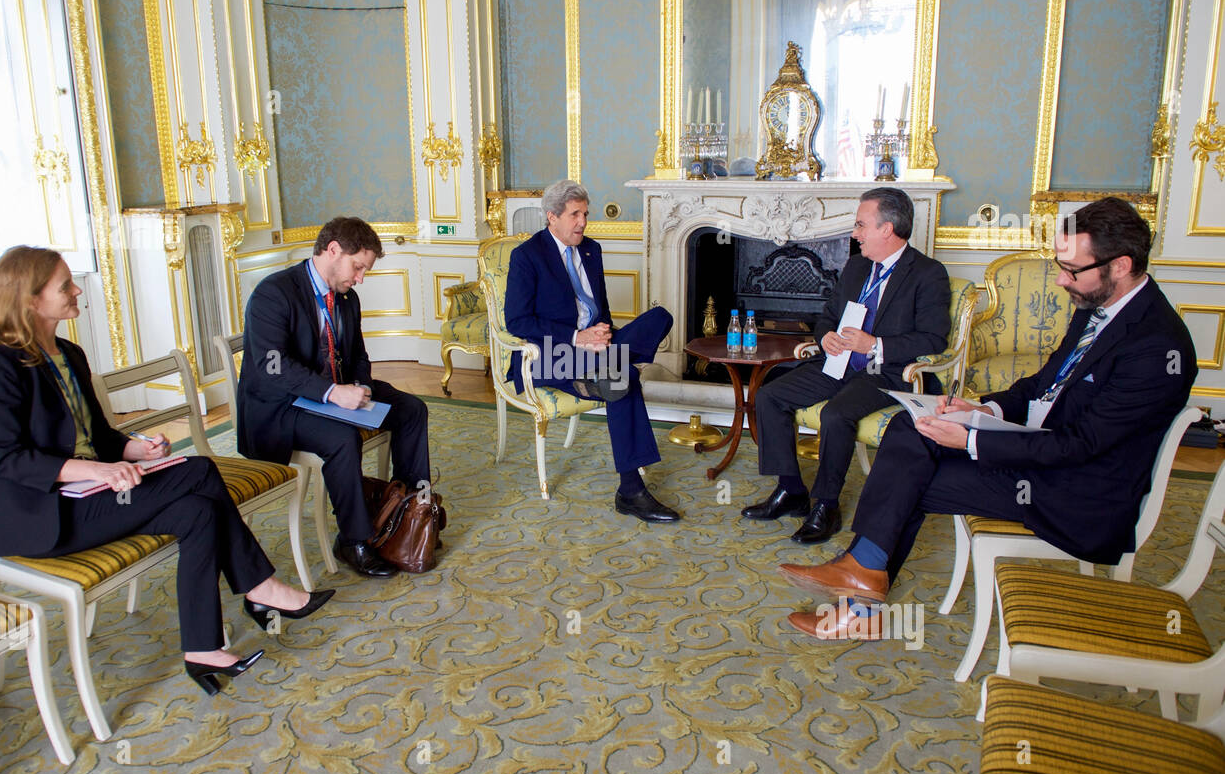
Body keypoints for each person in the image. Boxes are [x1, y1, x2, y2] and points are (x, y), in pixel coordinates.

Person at [779, 197, 1198, 640]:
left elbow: (1081, 446)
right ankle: (862, 577)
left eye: (1072, 270)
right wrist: (984, 410)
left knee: (909, 477)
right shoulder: (1098, 306)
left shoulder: (1157, 347)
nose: (1060, 280)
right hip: (1036, 446)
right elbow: (1040, 385)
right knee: (911, 427)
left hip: (1077, 489)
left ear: (1121, 266)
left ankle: (860, 595)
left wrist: (972, 442)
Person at [0, 246, 331, 695]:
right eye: (65, 286)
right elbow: (9, 460)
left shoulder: (69, 353)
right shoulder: (0, 365)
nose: (77, 289)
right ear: (29, 299)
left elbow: (99, 436)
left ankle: (201, 648)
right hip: (47, 516)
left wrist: (134, 448)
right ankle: (260, 586)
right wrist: (98, 472)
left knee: (198, 512)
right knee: (199, 470)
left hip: (95, 495)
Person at [742, 187, 951, 544]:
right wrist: (825, 338)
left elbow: (934, 340)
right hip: (838, 362)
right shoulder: (856, 267)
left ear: (887, 229)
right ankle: (791, 490)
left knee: (837, 414)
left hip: (886, 372)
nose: (854, 234)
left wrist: (876, 345)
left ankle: (826, 505)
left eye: (860, 225)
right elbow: (828, 317)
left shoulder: (927, 273)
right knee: (769, 394)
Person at [239, 216, 431, 577]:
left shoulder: (346, 299)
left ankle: (412, 513)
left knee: (412, 409)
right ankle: (354, 541)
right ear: (333, 251)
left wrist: (362, 386)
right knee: (342, 439)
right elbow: (272, 366)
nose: (360, 278)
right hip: (280, 406)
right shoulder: (273, 293)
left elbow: (357, 354)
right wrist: (330, 392)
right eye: (358, 267)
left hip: (334, 391)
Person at [505, 179, 681, 523]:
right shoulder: (527, 256)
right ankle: (630, 490)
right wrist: (578, 338)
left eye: (585, 214)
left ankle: (609, 363)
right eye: (575, 215)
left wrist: (602, 333)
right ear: (552, 216)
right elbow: (518, 321)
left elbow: (599, 308)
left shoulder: (591, 249)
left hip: (595, 348)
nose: (582, 222)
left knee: (661, 316)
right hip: (551, 356)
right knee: (623, 376)